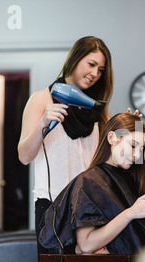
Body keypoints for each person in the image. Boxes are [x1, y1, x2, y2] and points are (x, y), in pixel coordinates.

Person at [38, 112, 145, 261]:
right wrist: (131, 213)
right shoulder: (88, 182)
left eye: (141, 148)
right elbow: (86, 244)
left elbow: (133, 235)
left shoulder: (128, 178)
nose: (137, 155)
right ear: (112, 137)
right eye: (133, 145)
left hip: (139, 256)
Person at [18, 36, 115, 239]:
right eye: (91, 64)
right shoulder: (41, 99)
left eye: (101, 70)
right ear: (75, 58)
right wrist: (43, 123)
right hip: (52, 204)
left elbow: (109, 160)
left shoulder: (96, 109)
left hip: (90, 206)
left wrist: (132, 128)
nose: (95, 74)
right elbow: (24, 156)